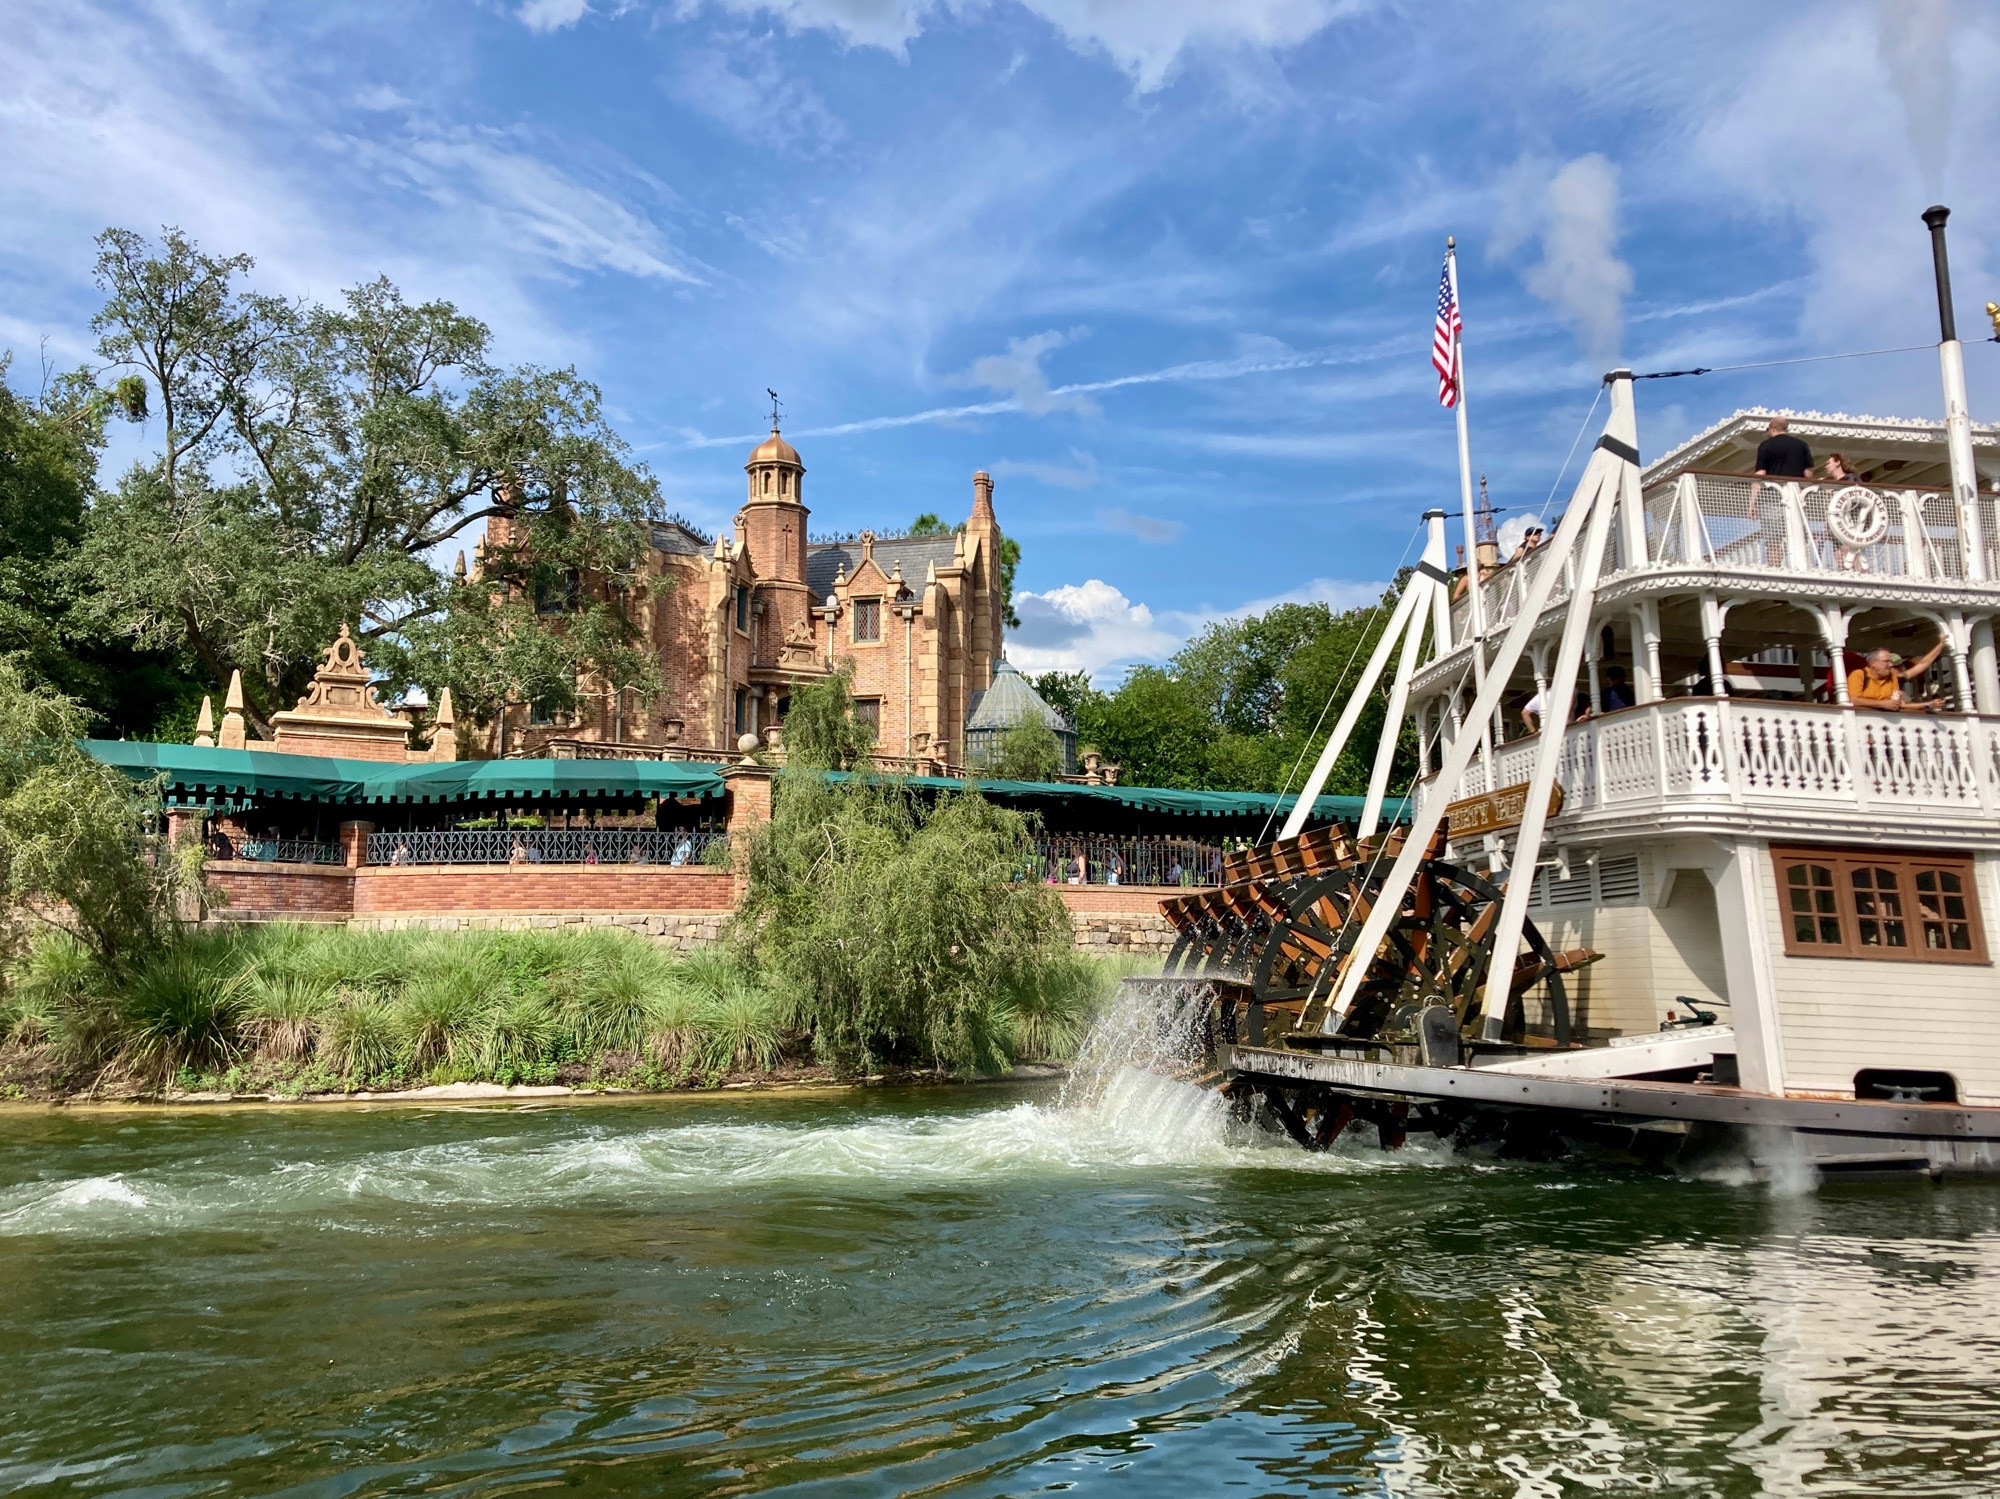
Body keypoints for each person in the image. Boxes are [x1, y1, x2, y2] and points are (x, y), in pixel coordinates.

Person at [1750, 418, 1812, 567]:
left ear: (1772, 429)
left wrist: (1752, 502)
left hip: (1771, 497)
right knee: (1797, 535)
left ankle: (1775, 567)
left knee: (1773, 538)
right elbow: (1808, 474)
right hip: (1796, 496)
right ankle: (1802, 568)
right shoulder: (1802, 445)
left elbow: (1760, 474)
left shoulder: (1765, 446)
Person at [1848, 635, 1947, 711]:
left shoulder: (1892, 677)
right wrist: (1883, 704)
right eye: (1886, 661)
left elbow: (1898, 704)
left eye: (1891, 662)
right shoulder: (1859, 675)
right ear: (1873, 663)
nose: (1891, 665)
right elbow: (1854, 700)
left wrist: (1928, 704)